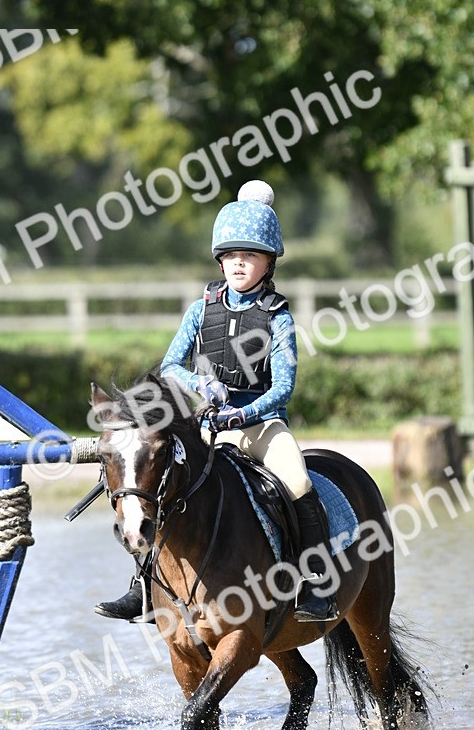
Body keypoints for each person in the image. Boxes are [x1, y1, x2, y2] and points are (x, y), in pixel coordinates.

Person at [94, 179, 340, 624]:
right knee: (156, 485)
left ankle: (316, 584)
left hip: (261, 425)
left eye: (250, 256)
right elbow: (170, 365)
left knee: (299, 482)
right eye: (231, 256)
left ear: (269, 263)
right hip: (206, 425)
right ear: (220, 260)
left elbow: (283, 387)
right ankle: (143, 588)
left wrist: (241, 413)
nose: (239, 264)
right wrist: (200, 386)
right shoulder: (200, 309)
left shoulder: (278, 316)